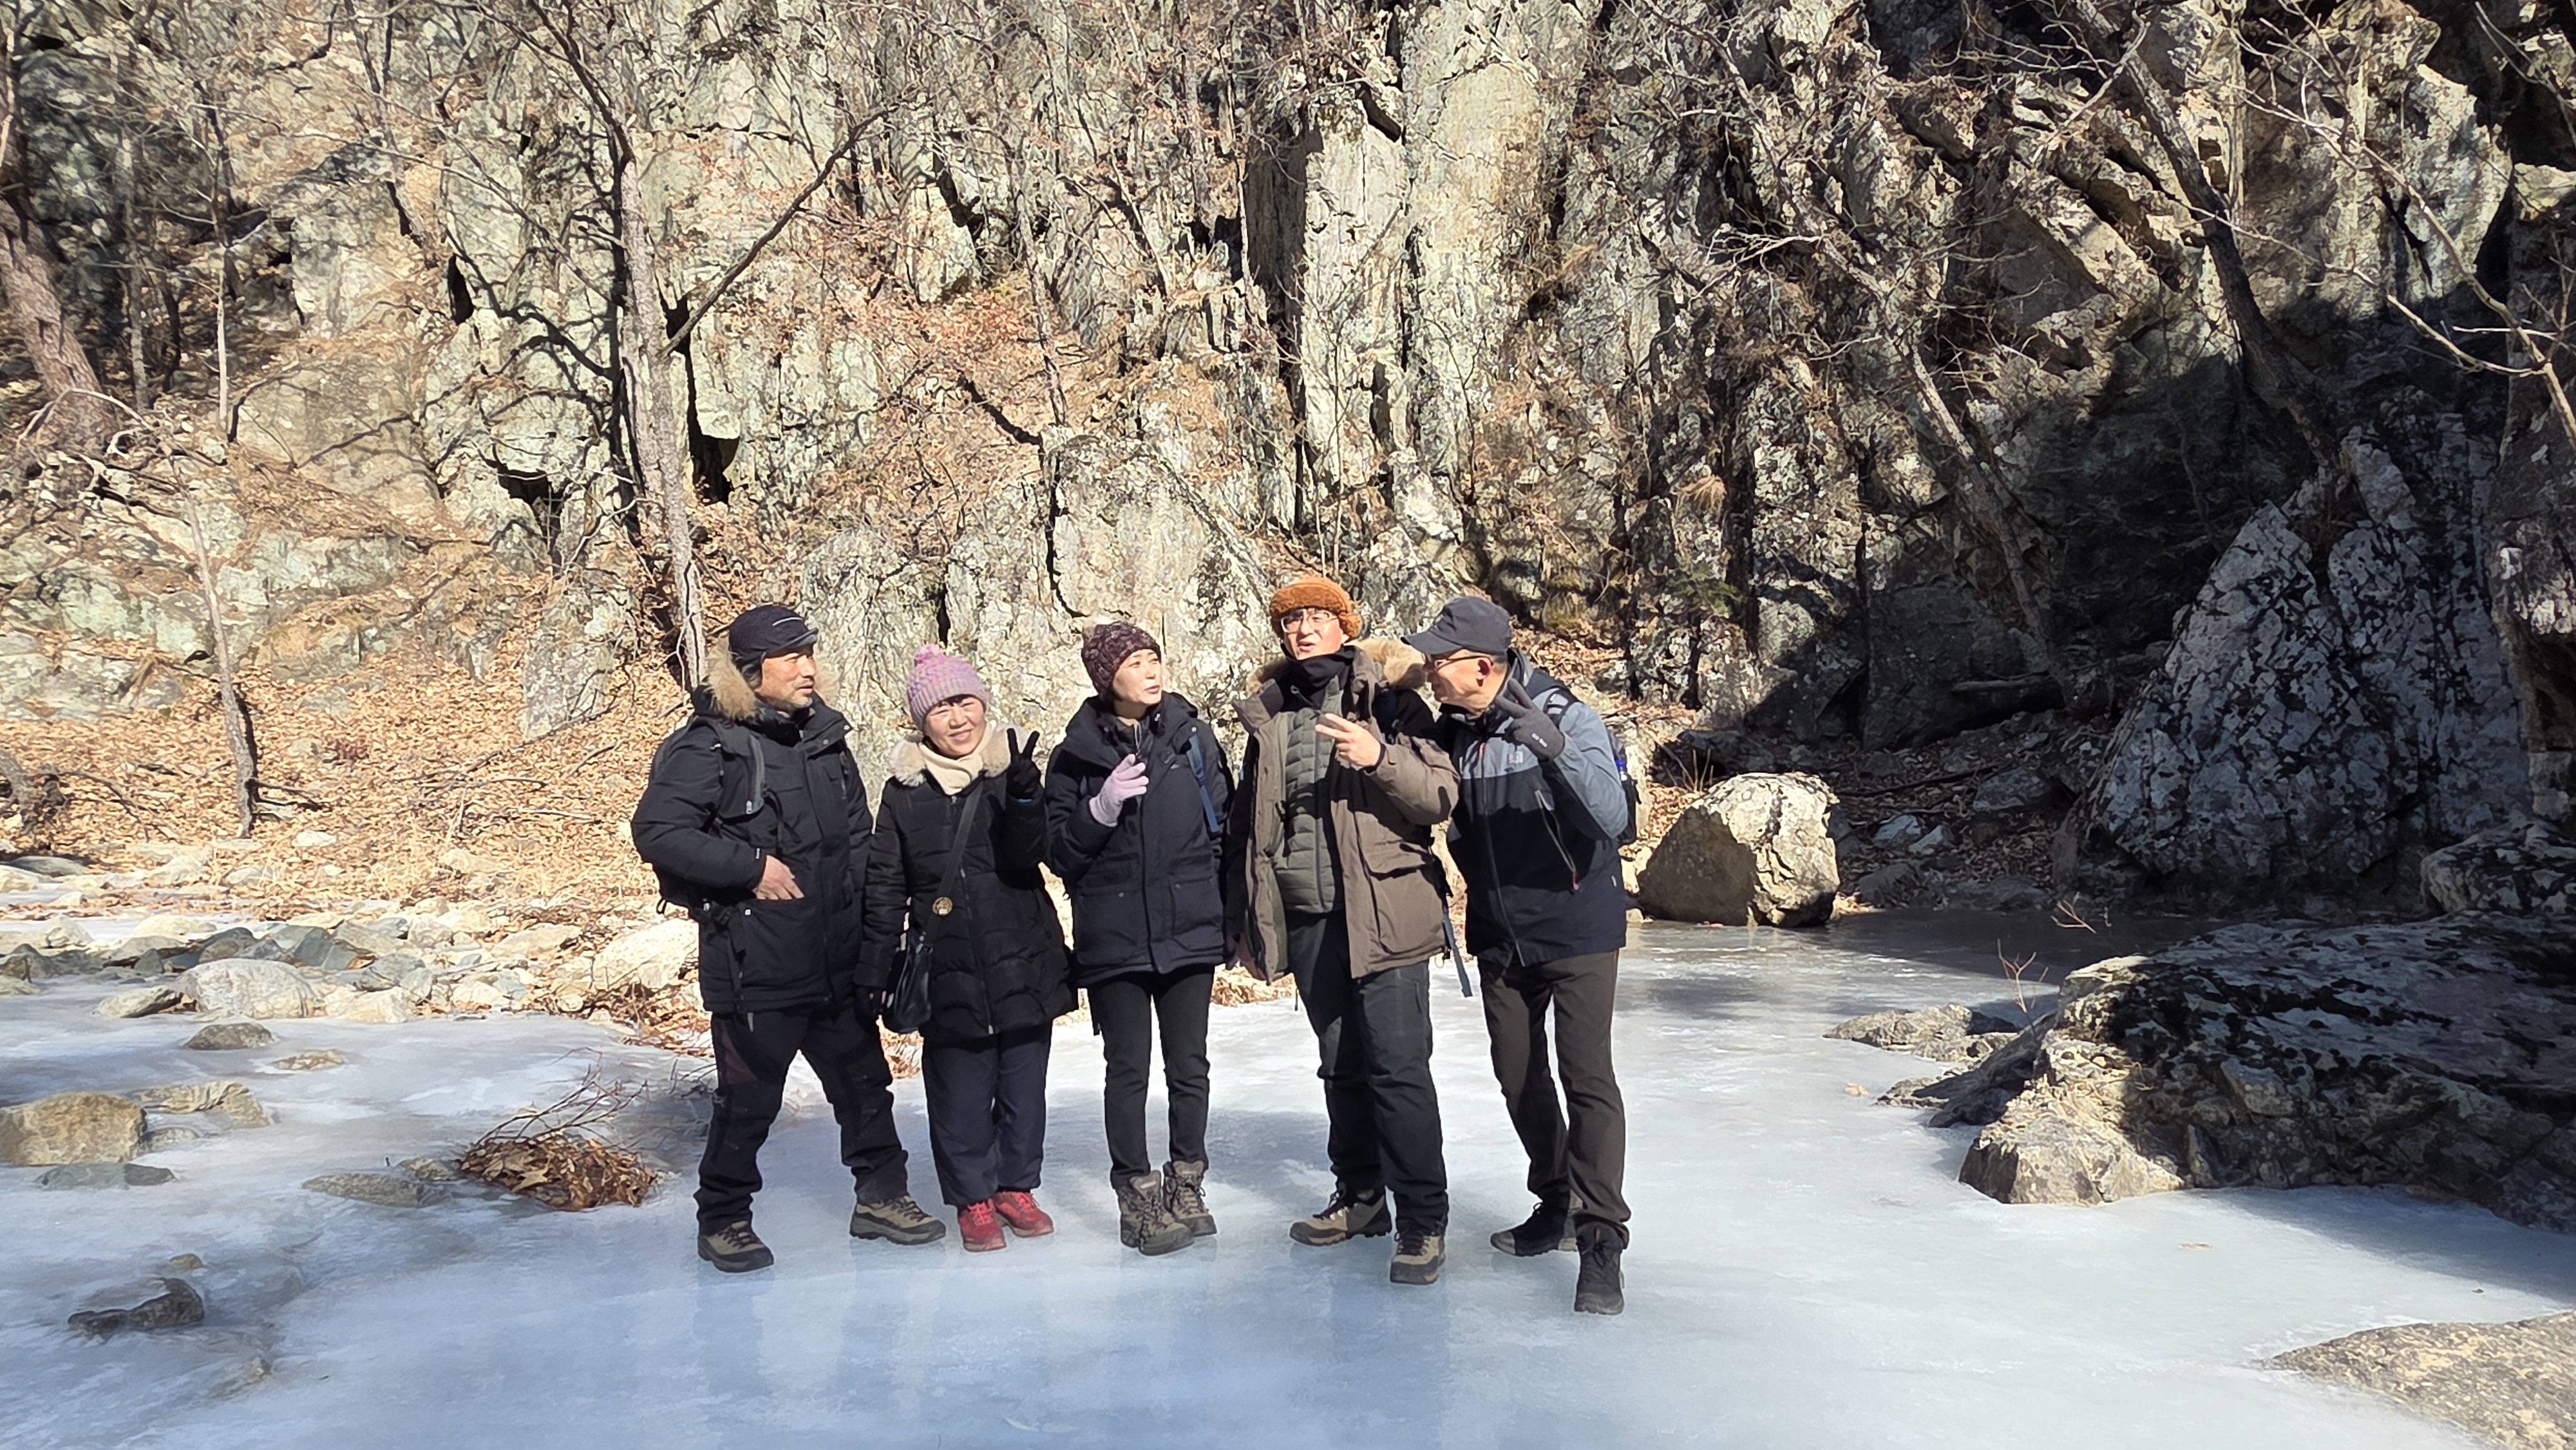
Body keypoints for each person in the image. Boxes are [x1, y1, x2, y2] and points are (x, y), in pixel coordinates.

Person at [631, 605, 943, 1274]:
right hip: (756, 965)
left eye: (809, 654)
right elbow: (657, 831)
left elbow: (858, 846)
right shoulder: (708, 745)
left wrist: (877, 944)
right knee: (749, 1102)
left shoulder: (826, 737)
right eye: (791, 658)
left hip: (836, 959)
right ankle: (723, 1220)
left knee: (866, 1088)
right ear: (751, 672)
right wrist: (749, 867)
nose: (808, 668)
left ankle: (882, 1198)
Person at [1223, 576, 1460, 1286]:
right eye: (1290, 620)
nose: (1302, 629)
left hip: (1387, 913)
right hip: (1310, 915)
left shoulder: (1391, 700)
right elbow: (1249, 827)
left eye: (1316, 617)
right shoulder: (1270, 715)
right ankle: (1361, 1197)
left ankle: (1422, 1219)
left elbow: (1439, 794)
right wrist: (1245, 918)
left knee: (1398, 1068)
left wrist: (1379, 757)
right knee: (1340, 1066)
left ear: (1344, 624)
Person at [1407, 595, 1634, 1315]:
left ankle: (1601, 1241)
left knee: (1585, 1076)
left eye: (1438, 661)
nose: (1428, 671)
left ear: (1481, 666)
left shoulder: (1567, 715)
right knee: (1516, 1075)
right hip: (1501, 934)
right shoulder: (1454, 732)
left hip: (1578, 924)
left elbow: (1614, 819)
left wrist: (1552, 748)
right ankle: (1557, 1199)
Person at [859, 646, 1075, 1252]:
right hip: (946, 966)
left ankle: (1016, 1187)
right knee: (959, 1093)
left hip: (1022, 955)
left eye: (965, 703)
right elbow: (886, 883)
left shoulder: (1009, 771)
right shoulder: (904, 792)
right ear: (921, 722)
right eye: (942, 710)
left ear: (982, 704)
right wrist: (874, 969)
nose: (958, 719)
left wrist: (1027, 797)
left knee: (1024, 1088)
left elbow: (1029, 856)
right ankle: (973, 1198)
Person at [1043, 621, 1232, 1257]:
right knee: (1128, 1069)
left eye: (1154, 658)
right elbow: (1060, 853)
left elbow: (1222, 829)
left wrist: (1225, 916)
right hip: (1115, 935)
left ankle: (1188, 1181)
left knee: (1190, 1064)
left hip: (1188, 928)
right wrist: (1098, 809)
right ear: (1107, 678)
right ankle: (1136, 1194)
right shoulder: (1074, 755)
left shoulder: (1192, 737)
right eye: (1134, 663)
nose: (1151, 671)